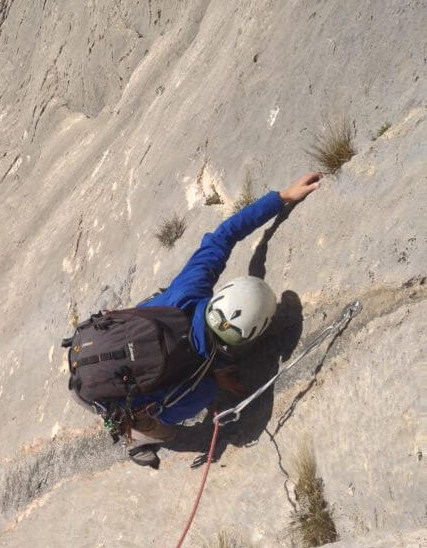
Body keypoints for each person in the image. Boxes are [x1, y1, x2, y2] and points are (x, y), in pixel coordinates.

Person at [64, 172, 322, 445]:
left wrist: (280, 198)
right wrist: (214, 377)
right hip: (99, 394)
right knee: (168, 428)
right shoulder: (199, 385)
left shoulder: (192, 289)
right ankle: (141, 436)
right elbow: (162, 401)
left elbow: (224, 236)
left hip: (89, 344)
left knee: (156, 305)